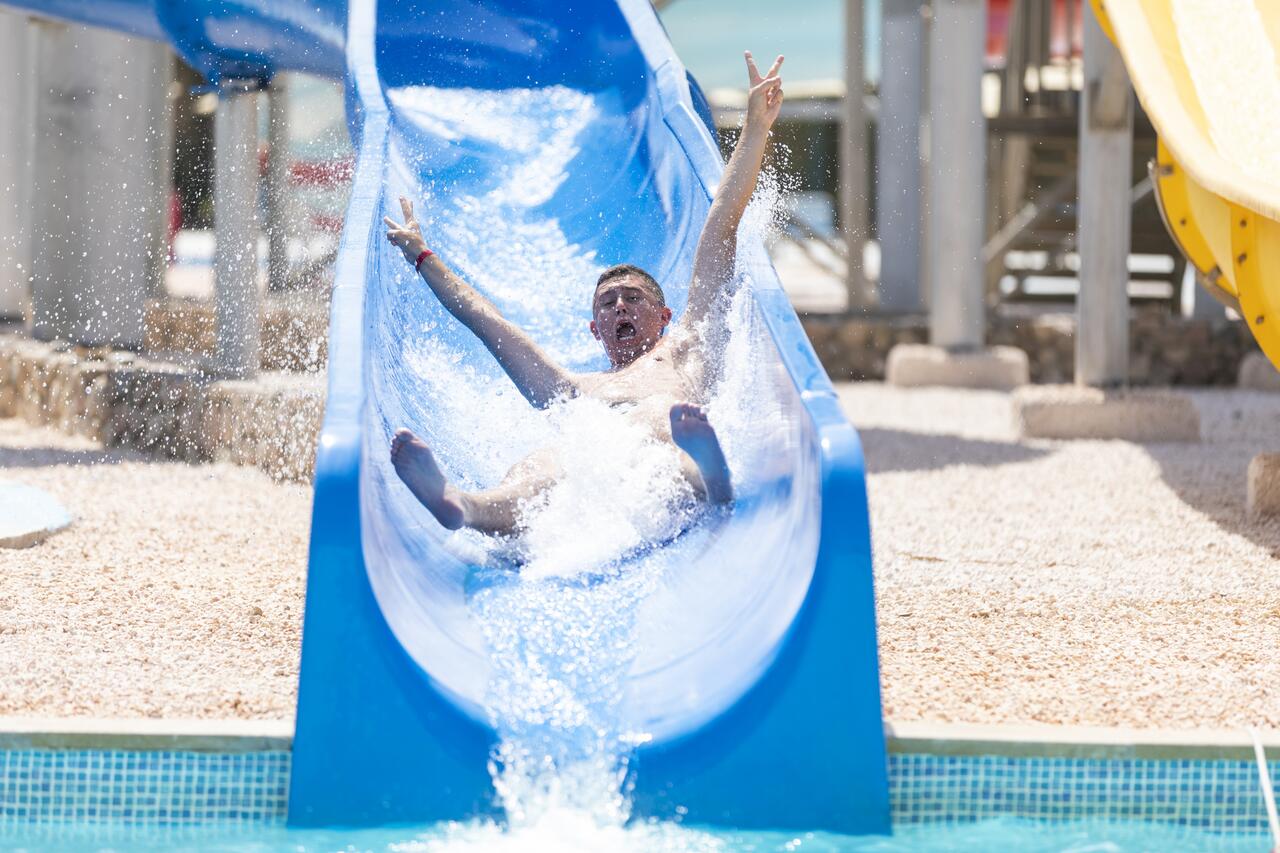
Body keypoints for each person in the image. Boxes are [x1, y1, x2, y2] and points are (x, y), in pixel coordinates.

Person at [383, 51, 785, 537]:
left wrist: (756, 128)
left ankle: (710, 477)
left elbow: (721, 223)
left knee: (663, 421)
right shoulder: (570, 388)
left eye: (633, 298)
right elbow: (487, 321)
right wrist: (423, 256)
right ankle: (465, 506)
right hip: (594, 470)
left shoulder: (686, 345)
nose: (620, 306)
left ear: (664, 315)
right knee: (539, 463)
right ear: (596, 330)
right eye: (608, 304)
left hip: (664, 450)